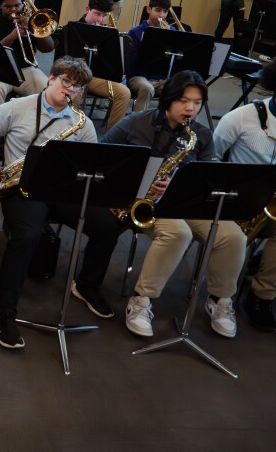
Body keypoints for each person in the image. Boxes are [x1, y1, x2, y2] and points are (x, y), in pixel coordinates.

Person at [0, 57, 122, 349]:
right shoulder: (18, 106)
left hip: (63, 191)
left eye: (78, 87)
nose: (70, 90)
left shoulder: (81, 124)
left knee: (108, 225)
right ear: (51, 78)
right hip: (21, 188)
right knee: (27, 236)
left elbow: (93, 164)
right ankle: (4, 312)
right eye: (66, 82)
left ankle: (86, 285)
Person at [103, 70, 244, 339]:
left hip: (185, 201)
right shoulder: (135, 123)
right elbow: (103, 156)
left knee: (233, 236)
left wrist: (182, 183)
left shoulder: (200, 135)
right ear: (168, 99)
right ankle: (142, 299)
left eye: (197, 103)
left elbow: (209, 177)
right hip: (144, 201)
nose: (190, 108)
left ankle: (220, 300)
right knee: (178, 234)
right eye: (183, 101)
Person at [212, 61, 276, 332]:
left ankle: (262, 295)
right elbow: (211, 159)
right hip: (238, 201)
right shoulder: (239, 117)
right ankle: (222, 295)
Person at [54, 0, 131, 130]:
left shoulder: (107, 34)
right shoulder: (70, 29)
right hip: (74, 76)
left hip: (96, 77)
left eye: (104, 15)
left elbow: (111, 63)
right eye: (97, 14)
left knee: (124, 93)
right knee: (74, 92)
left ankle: (111, 137)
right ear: (87, 10)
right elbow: (60, 60)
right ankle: (67, 131)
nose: (100, 20)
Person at [0, 0, 51, 123]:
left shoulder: (30, 22)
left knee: (48, 89)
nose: (14, 9)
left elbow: (48, 48)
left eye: (17, 5)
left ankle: (41, 129)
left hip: (25, 69)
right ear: (0, 6)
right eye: (8, 7)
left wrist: (37, 30)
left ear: (23, 4)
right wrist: (12, 36)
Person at [126, 0, 175, 111]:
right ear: (149, 9)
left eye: (165, 11)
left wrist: (169, 37)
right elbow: (129, 63)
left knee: (182, 88)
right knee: (147, 88)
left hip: (161, 78)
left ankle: (168, 125)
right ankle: (137, 125)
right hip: (138, 76)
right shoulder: (136, 32)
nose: (162, 15)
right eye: (158, 10)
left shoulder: (172, 31)